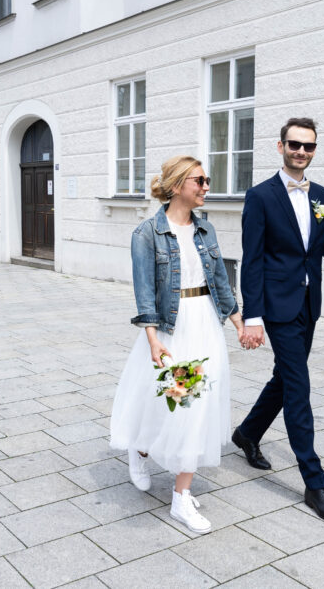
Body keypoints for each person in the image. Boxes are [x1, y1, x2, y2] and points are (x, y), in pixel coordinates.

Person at [233, 117, 324, 524]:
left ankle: (246, 434)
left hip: (309, 304)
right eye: (294, 144)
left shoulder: (322, 196)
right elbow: (251, 260)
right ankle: (315, 482)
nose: (301, 152)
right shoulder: (260, 196)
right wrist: (252, 317)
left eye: (308, 146)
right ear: (280, 146)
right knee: (298, 387)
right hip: (276, 306)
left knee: (286, 377)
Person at [110, 155, 244, 534]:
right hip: (172, 327)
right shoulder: (146, 234)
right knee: (171, 404)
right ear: (175, 186)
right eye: (199, 181)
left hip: (205, 323)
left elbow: (219, 280)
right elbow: (145, 292)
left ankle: (180, 495)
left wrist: (237, 322)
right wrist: (152, 339)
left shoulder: (207, 231)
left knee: (195, 406)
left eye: (207, 180)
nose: (206, 187)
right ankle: (141, 451)